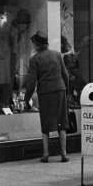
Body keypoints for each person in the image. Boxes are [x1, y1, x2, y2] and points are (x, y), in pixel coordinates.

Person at [24, 30, 70, 163]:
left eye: (33, 44)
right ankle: (64, 153)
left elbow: (31, 82)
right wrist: (66, 91)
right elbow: (65, 75)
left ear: (37, 45)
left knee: (46, 123)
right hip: (60, 90)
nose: (33, 46)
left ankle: (45, 153)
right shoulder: (56, 55)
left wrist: (27, 99)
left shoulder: (35, 59)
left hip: (45, 93)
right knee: (62, 122)